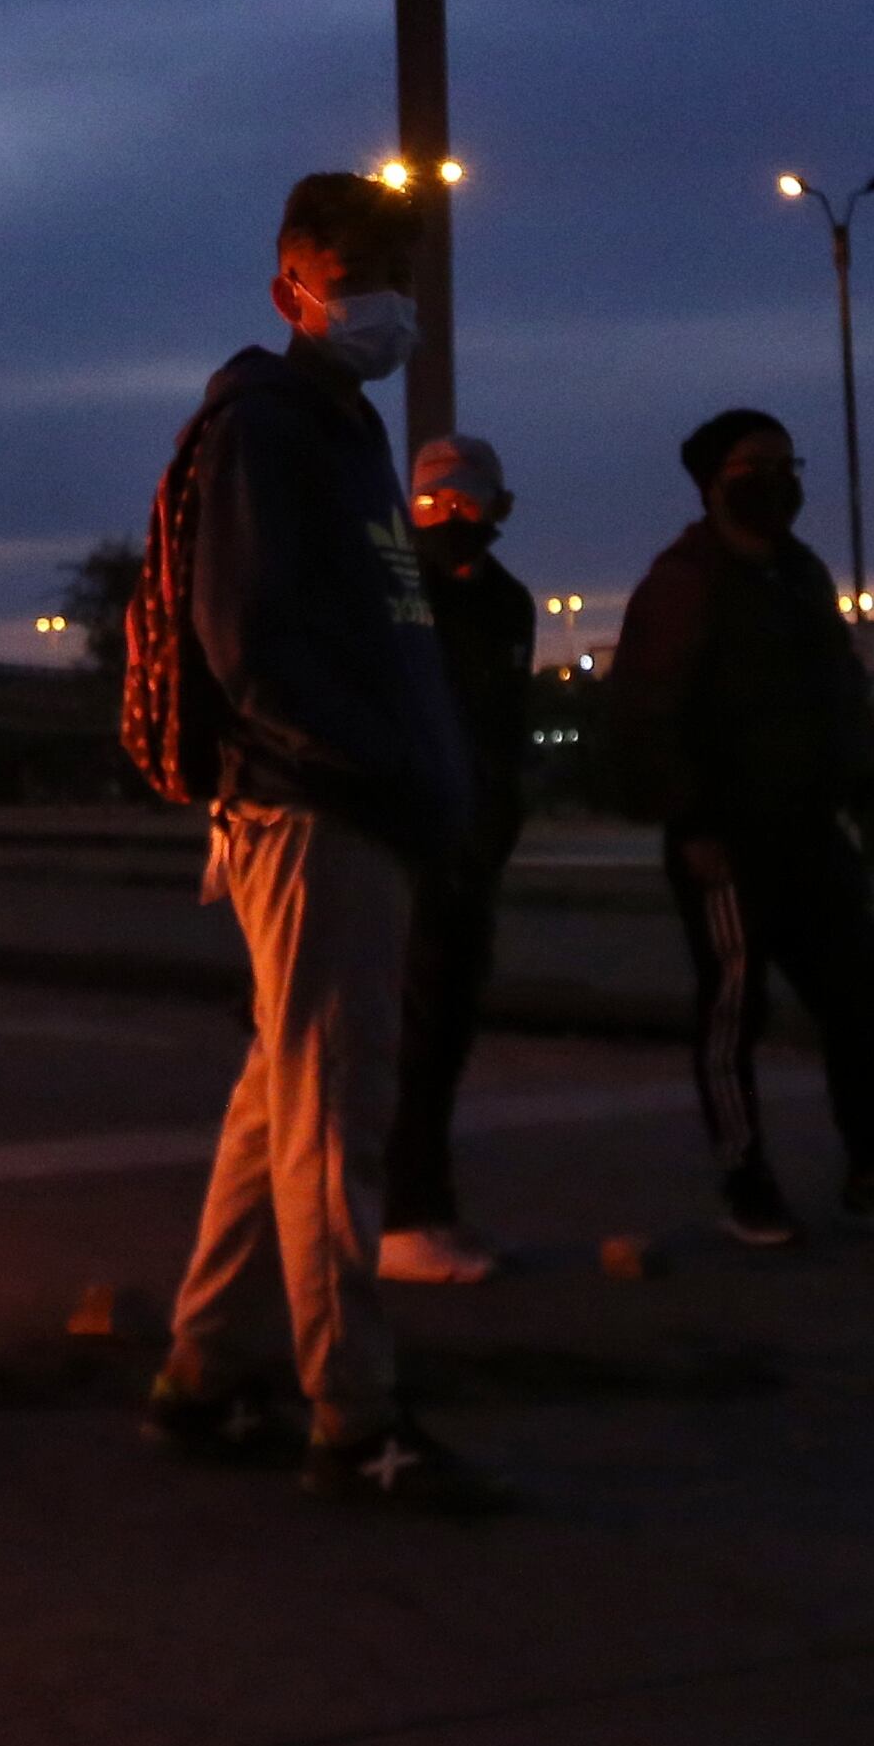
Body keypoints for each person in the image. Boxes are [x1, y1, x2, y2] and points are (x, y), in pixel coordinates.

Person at [136, 169, 495, 1512]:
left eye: (399, 280)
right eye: (357, 282)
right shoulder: (270, 429)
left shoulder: (340, 428)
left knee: (278, 1096)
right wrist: (374, 770)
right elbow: (254, 641)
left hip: (354, 805)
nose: (387, 308)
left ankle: (205, 1371)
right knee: (336, 1112)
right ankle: (354, 1417)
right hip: (316, 811)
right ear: (292, 284)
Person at [604, 409, 874, 1249]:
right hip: (727, 838)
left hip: (811, 830)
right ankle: (746, 1180)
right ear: (712, 480)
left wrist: (864, 793)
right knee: (736, 1008)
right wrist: (690, 817)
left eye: (784, 461)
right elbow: (649, 711)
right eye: (754, 464)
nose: (776, 479)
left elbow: (838, 691)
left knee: (861, 1001)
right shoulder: (685, 581)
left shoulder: (798, 575)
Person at [381, 434, 533, 1284]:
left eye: (465, 502)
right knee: (414, 1031)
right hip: (408, 843)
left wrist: (498, 819)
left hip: (471, 846)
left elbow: (500, 731)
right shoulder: (392, 593)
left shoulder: (507, 603)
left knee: (443, 1032)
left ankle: (418, 1207)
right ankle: (406, 1215)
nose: (449, 518)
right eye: (433, 503)